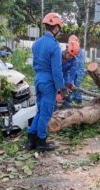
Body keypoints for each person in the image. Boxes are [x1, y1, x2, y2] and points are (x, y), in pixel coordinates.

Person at [25, 12, 67, 152]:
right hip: (49, 82)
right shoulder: (54, 46)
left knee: (39, 111)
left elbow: (35, 64)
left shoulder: (36, 44)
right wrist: (61, 88)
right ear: (55, 28)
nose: (58, 31)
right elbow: (56, 70)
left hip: (38, 80)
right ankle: (41, 143)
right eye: (58, 28)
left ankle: (31, 140)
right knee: (46, 113)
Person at [68, 35, 85, 105]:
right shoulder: (69, 49)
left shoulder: (80, 51)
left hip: (79, 71)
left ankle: (78, 101)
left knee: (77, 86)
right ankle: (70, 101)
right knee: (70, 85)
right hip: (72, 71)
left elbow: (78, 62)